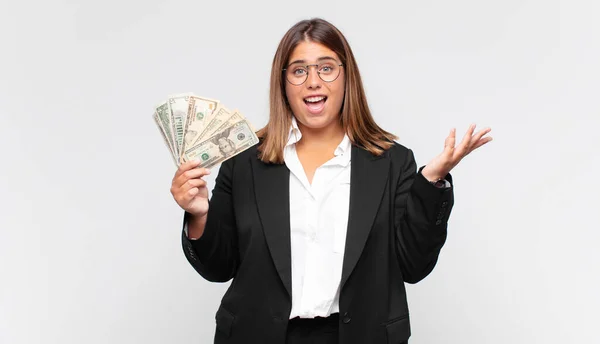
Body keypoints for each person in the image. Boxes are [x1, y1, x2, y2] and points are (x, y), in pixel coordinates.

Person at [170, 18, 492, 344]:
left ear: (346, 76)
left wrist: (431, 180)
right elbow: (218, 267)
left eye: (326, 68)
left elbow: (413, 265)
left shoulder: (393, 162)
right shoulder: (244, 162)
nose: (313, 81)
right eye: (299, 71)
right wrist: (199, 214)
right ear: (283, 84)